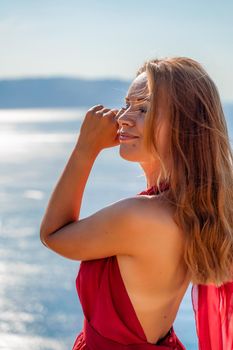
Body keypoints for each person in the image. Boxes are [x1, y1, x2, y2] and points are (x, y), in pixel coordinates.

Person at [40, 57, 233, 350]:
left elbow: (53, 235)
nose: (124, 117)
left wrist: (85, 149)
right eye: (127, 104)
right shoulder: (195, 209)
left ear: (184, 124)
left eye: (143, 109)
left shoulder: (141, 216)